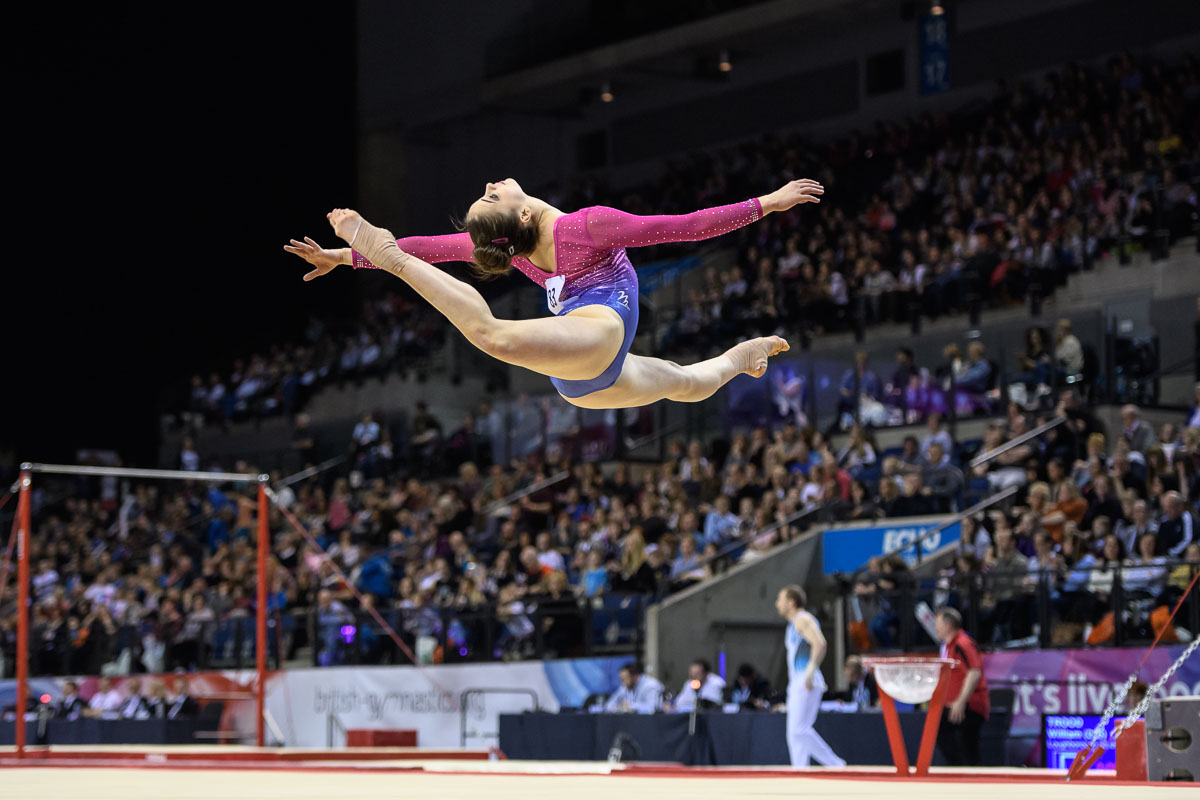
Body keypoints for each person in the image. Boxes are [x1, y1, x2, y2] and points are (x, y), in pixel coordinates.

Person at [285, 177, 826, 409]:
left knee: (491, 335)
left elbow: (429, 246)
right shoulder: (581, 226)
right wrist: (767, 203)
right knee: (684, 383)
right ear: (521, 215)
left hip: (590, 345)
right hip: (584, 362)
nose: (489, 186)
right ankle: (391, 261)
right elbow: (682, 227)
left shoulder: (527, 242)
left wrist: (342, 257)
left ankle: (737, 358)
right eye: (489, 197)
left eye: (484, 196)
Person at [774, 585, 846, 767]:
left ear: (791, 603)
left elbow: (820, 643)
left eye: (780, 600)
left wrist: (810, 672)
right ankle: (800, 771)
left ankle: (836, 765)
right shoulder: (793, 624)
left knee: (799, 730)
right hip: (798, 680)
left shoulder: (803, 619)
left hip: (806, 679)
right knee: (794, 733)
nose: (777, 604)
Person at [933, 607, 989, 766]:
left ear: (948, 625)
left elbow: (974, 672)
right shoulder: (949, 646)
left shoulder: (963, 643)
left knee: (963, 745)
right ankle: (961, 771)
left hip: (969, 705)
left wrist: (960, 701)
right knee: (960, 744)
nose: (935, 628)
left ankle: (963, 772)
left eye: (938, 624)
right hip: (957, 704)